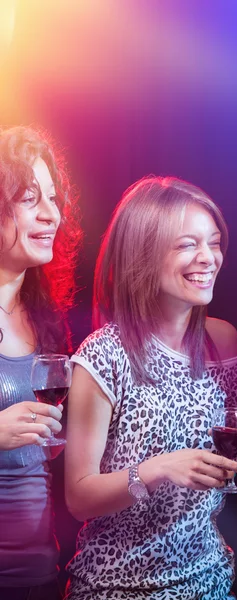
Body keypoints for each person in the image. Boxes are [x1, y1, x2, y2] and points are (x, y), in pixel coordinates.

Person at [63, 176, 237, 599]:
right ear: (143, 255)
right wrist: (158, 469)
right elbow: (79, 498)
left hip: (209, 576)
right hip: (119, 585)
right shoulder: (103, 355)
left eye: (214, 242)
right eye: (188, 244)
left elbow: (233, 439)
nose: (208, 258)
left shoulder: (221, 340)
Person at [0, 126, 81, 599]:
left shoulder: (46, 318)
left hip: (38, 574)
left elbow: (48, 450)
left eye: (53, 198)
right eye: (31, 199)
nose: (52, 215)